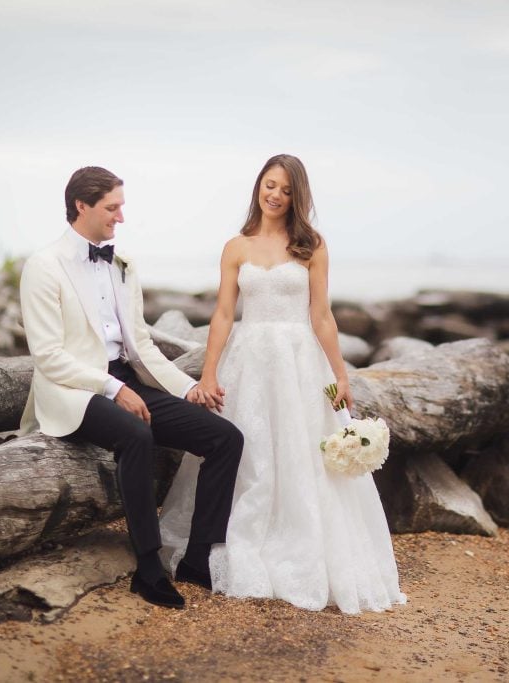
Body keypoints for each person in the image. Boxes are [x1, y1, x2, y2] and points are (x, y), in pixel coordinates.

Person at [159, 154, 405, 614]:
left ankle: (302, 545)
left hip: (300, 364)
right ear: (258, 186)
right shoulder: (236, 246)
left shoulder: (311, 245)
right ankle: (223, 542)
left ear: (298, 196)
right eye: (269, 185)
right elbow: (225, 314)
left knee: (302, 454)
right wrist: (209, 372)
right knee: (246, 450)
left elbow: (322, 316)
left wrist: (340, 375)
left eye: (286, 190)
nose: (275, 195)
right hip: (247, 362)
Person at [19, 166, 244, 610]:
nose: (121, 216)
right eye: (112, 207)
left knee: (225, 438)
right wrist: (110, 389)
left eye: (121, 206)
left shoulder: (124, 264)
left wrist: (187, 389)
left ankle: (198, 559)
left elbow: (139, 345)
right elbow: (47, 356)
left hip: (125, 379)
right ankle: (148, 567)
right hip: (72, 389)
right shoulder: (43, 266)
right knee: (135, 433)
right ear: (81, 206)